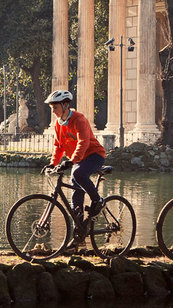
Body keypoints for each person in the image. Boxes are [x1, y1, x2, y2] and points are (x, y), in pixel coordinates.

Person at [43, 90, 106, 246]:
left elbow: (83, 142)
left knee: (77, 173)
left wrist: (71, 161)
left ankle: (97, 200)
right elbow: (59, 146)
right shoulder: (59, 124)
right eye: (51, 108)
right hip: (78, 159)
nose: (53, 111)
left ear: (65, 105)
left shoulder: (79, 119)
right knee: (75, 199)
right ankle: (79, 236)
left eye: (55, 107)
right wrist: (53, 163)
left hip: (94, 155)